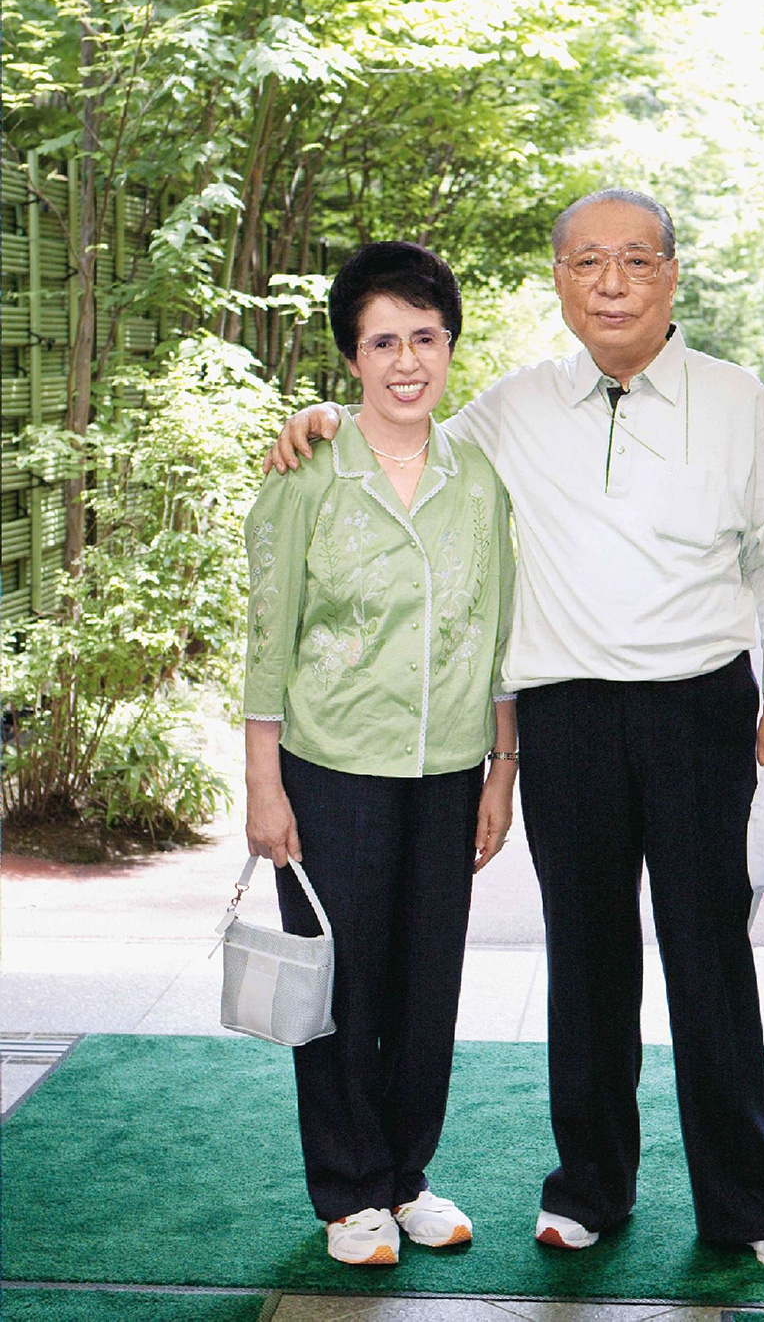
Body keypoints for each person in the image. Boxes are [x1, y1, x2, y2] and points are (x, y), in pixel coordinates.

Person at [263, 189, 764, 1271]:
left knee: (709, 953)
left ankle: (755, 1203)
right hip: (565, 713)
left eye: (633, 261)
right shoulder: (516, 406)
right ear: (559, 280)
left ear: (671, 274)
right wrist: (324, 419)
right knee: (588, 956)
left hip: (701, 704)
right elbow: (408, 435)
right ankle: (590, 1189)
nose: (609, 282)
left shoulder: (737, 398)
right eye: (585, 262)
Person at [243, 241, 516, 1267]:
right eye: (382, 341)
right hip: (329, 764)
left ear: (450, 346)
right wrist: (264, 786)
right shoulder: (309, 471)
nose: (407, 360)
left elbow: (497, 629)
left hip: (448, 768)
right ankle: (348, 1190)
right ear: (351, 358)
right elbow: (267, 634)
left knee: (424, 982)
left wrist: (502, 770)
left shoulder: (478, 475)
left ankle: (405, 1180)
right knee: (339, 988)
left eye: (425, 338)